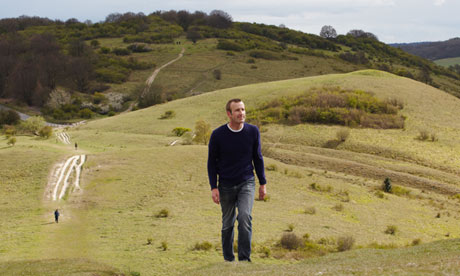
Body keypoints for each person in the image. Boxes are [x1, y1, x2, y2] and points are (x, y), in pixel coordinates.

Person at [207, 98, 267, 262]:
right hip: (225, 185)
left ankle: (244, 260)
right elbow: (211, 163)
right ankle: (228, 260)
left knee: (244, 217)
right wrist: (214, 187)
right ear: (229, 114)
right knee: (227, 224)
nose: (242, 113)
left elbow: (258, 158)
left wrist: (263, 183)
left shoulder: (253, 131)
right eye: (237, 110)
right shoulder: (218, 135)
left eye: (243, 109)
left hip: (246, 182)